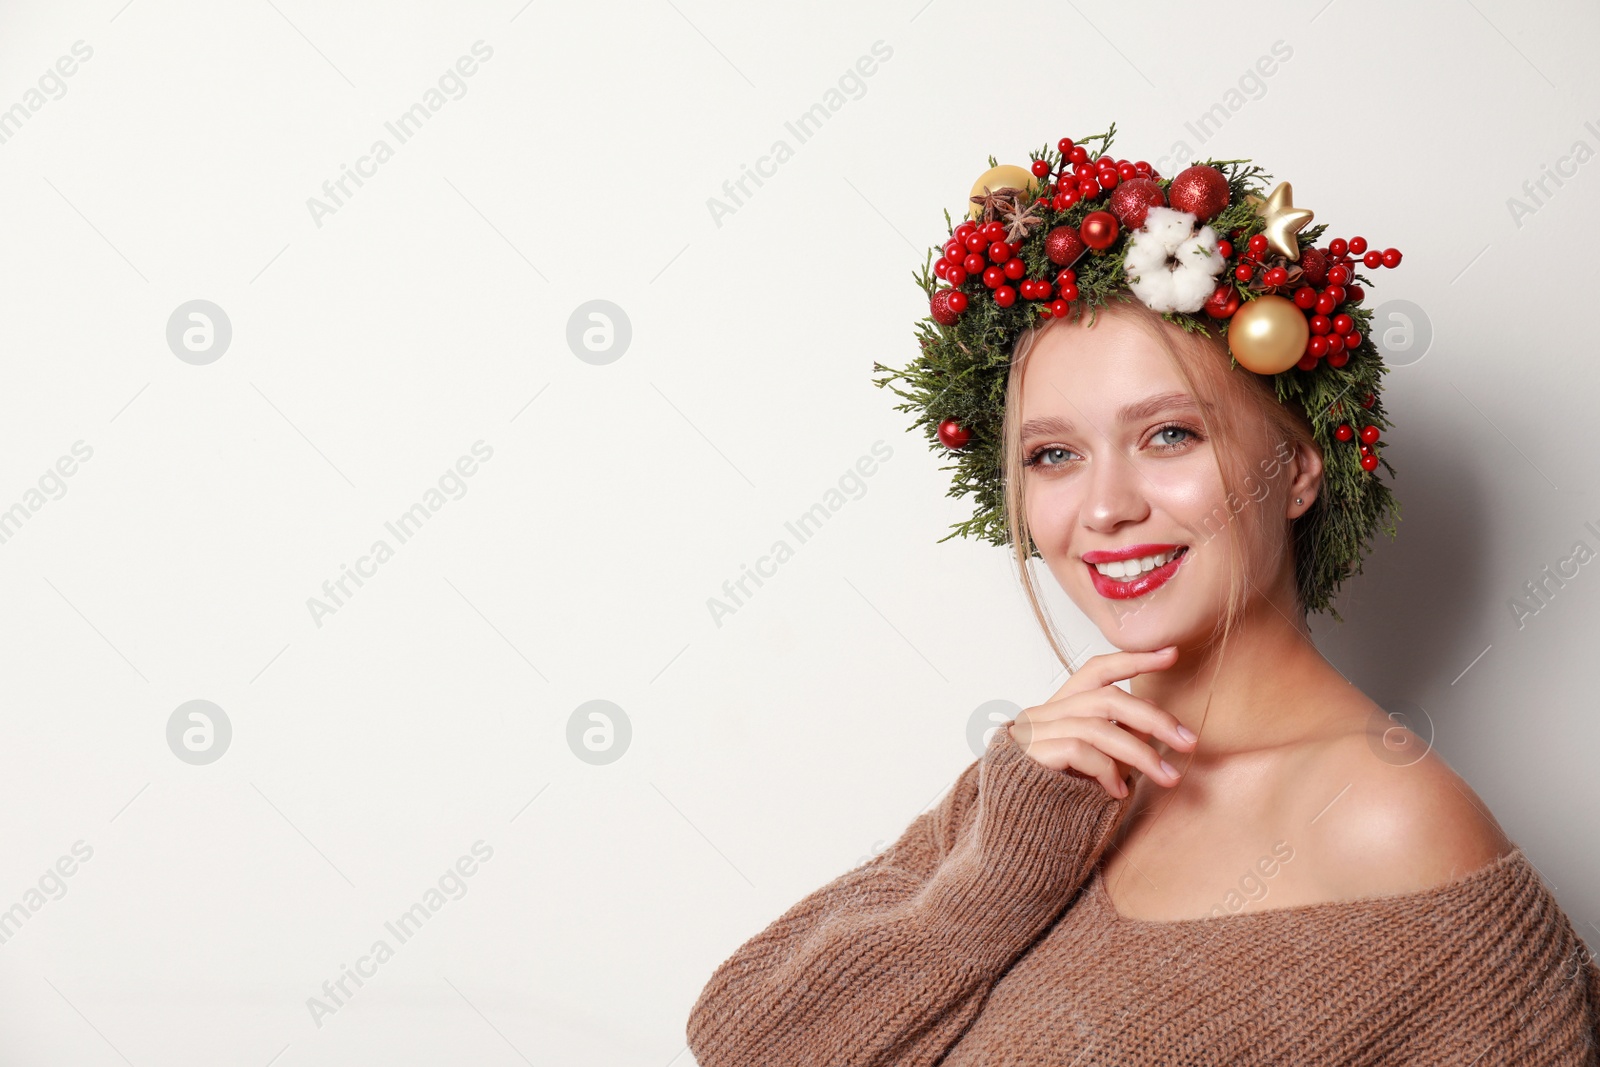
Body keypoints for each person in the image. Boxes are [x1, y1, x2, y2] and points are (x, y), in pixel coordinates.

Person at [685, 125, 1600, 1064]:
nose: (1108, 507)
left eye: (1169, 435)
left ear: (1296, 471)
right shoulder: (1049, 774)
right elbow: (742, 1044)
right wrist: (1001, 865)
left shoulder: (1386, 821)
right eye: (1054, 455)